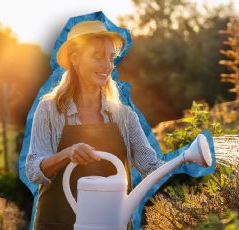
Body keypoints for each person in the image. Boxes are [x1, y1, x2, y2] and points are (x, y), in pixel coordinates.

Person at [25, 20, 169, 230]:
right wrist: (68, 153)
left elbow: (150, 167)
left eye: (111, 58)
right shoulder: (49, 110)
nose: (107, 66)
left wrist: (184, 162)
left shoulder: (124, 116)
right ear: (75, 59)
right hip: (59, 224)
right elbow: (33, 169)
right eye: (97, 57)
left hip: (111, 224)